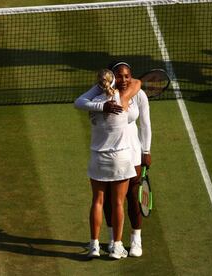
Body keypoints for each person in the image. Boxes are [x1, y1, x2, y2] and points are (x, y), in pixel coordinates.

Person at [75, 61, 151, 258]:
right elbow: (138, 83)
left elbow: (79, 101)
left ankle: (103, 244)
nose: (125, 79)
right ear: (113, 79)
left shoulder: (94, 104)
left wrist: (146, 151)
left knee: (108, 200)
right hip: (121, 157)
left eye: (127, 75)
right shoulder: (123, 98)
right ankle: (115, 244)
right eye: (119, 76)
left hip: (106, 156)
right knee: (116, 202)